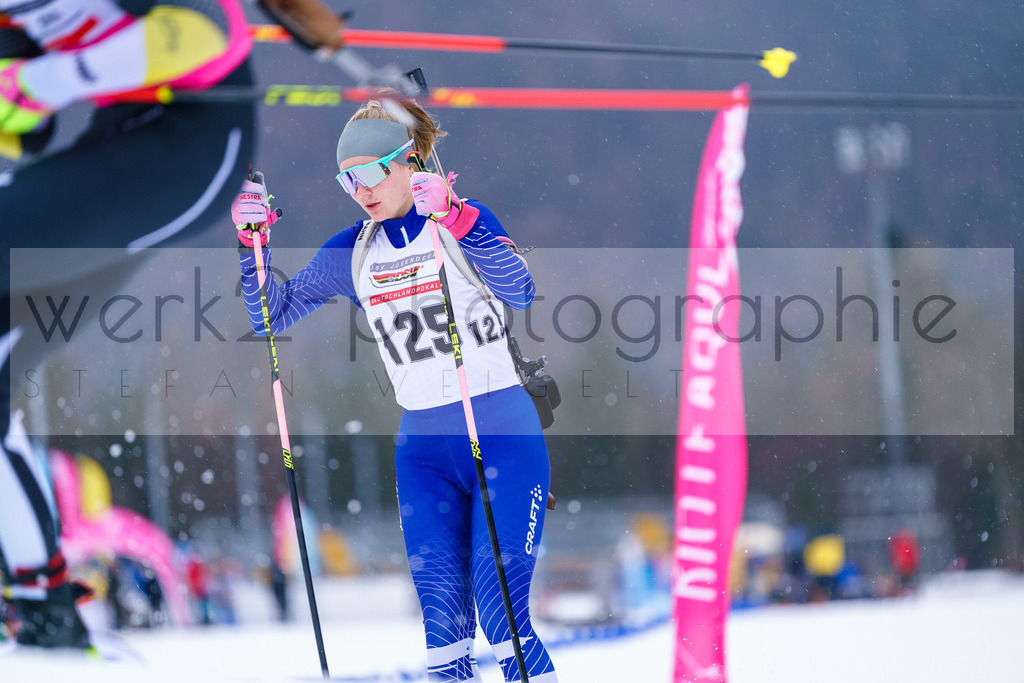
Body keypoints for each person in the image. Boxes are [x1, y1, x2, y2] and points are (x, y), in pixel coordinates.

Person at [233, 92, 558, 682]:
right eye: (345, 180)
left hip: (502, 433)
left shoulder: (464, 221)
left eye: (367, 174)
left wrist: (460, 218)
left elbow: (520, 290)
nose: (359, 191)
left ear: (408, 161)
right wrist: (251, 244)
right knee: (442, 632)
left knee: (500, 613)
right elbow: (271, 316)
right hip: (424, 452)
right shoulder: (352, 252)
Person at [0, 0, 256, 649]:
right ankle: (43, 606)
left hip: (185, 145)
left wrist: (44, 82)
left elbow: (206, 36)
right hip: (110, 150)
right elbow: (23, 134)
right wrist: (16, 95)